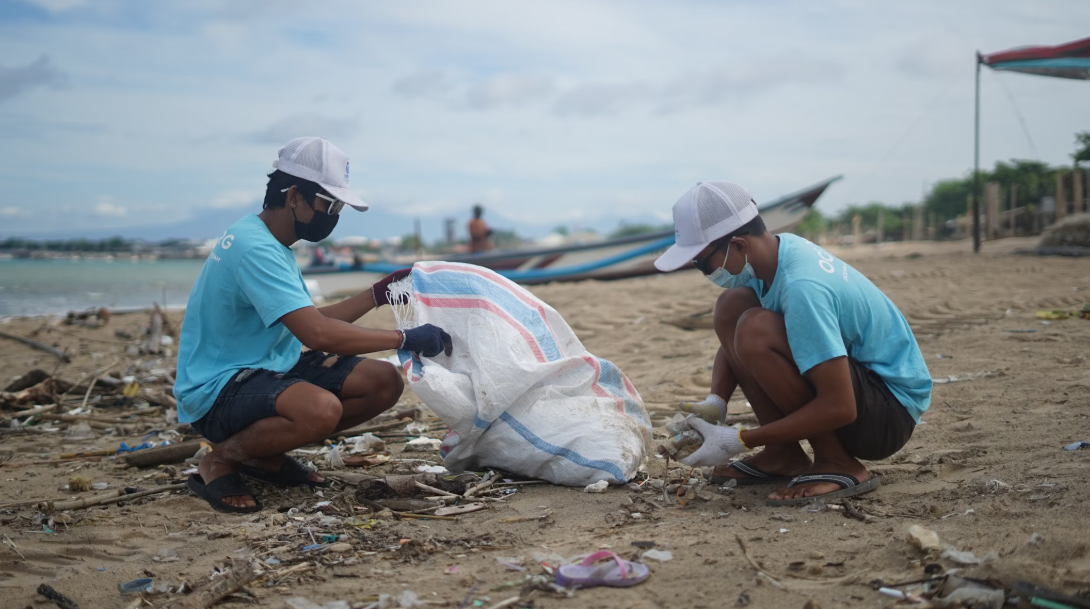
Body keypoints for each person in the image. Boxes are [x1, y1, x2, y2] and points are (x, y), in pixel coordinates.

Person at [176, 137, 453, 513]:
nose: (334, 215)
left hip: (267, 368)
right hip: (218, 389)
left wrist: (377, 294)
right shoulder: (255, 248)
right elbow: (318, 335)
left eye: (338, 206)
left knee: (382, 382)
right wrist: (404, 337)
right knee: (319, 410)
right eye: (329, 203)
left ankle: (263, 455)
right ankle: (221, 460)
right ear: (293, 196)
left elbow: (310, 320)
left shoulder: (267, 239)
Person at [653, 181, 931, 506]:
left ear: (739, 246)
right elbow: (734, 345)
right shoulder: (775, 255)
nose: (703, 272)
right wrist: (717, 401)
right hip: (864, 393)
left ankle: (838, 462)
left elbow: (841, 406)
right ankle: (781, 455)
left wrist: (739, 439)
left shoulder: (803, 287)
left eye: (702, 263)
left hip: (889, 413)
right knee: (733, 307)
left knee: (754, 329)